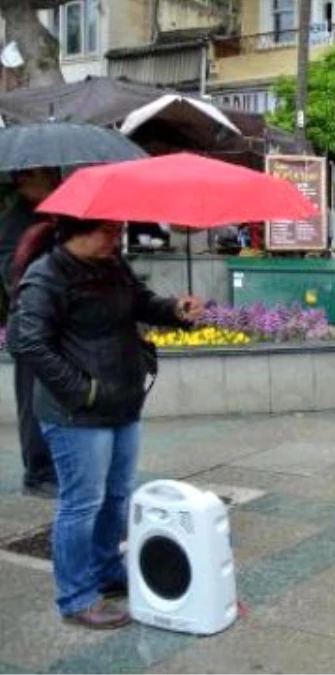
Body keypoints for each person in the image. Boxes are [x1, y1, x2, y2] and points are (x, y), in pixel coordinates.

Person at [7, 216, 203, 629]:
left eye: (118, 230)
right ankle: (77, 597)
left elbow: (140, 302)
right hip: (77, 414)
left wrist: (174, 310)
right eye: (108, 230)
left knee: (117, 496)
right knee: (82, 504)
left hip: (123, 403)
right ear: (78, 230)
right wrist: (82, 391)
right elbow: (28, 342)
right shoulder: (48, 274)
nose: (117, 237)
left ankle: (107, 571)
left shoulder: (113, 263)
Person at [1, 168, 62, 498]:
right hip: (29, 328)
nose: (54, 179)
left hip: (53, 326)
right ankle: (36, 473)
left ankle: (52, 467)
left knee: (51, 401)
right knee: (32, 404)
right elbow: (15, 276)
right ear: (23, 180)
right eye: (45, 175)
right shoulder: (16, 222)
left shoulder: (51, 214)